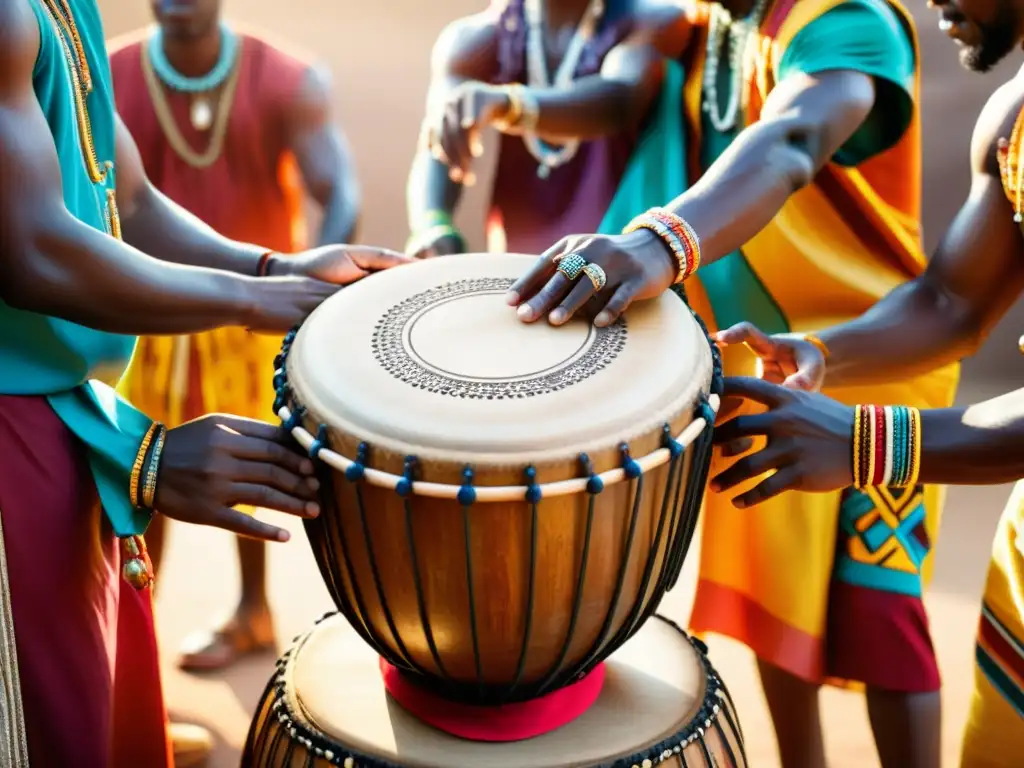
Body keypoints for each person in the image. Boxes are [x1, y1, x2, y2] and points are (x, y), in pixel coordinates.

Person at [507, 0, 961, 765]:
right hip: (763, 358)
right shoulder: (707, 23)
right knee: (776, 605)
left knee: (882, 615)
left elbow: (791, 140)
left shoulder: (847, 21)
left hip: (871, 359)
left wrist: (660, 242)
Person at [0, 1, 407, 765]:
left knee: (89, 694)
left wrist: (273, 268)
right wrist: (254, 301)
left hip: (64, 404)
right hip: (12, 439)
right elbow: (35, 250)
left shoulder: (66, 10)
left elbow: (131, 198)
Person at [701, 0, 1024, 761]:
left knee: (884, 623)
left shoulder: (847, 26)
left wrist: (862, 441)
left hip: (889, 425)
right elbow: (950, 304)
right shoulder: (1013, 120)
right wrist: (820, 351)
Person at [108, 0, 361, 677]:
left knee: (254, 458)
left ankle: (253, 607)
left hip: (259, 314)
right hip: (151, 310)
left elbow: (337, 189)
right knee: (141, 467)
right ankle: (137, 628)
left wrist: (324, 284)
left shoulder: (286, 78)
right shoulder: (109, 77)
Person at [406, 0, 691, 259]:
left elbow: (620, 100)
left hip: (629, 264)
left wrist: (510, 105)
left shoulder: (653, 21)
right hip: (520, 270)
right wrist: (433, 224)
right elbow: (438, 139)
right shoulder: (475, 40)